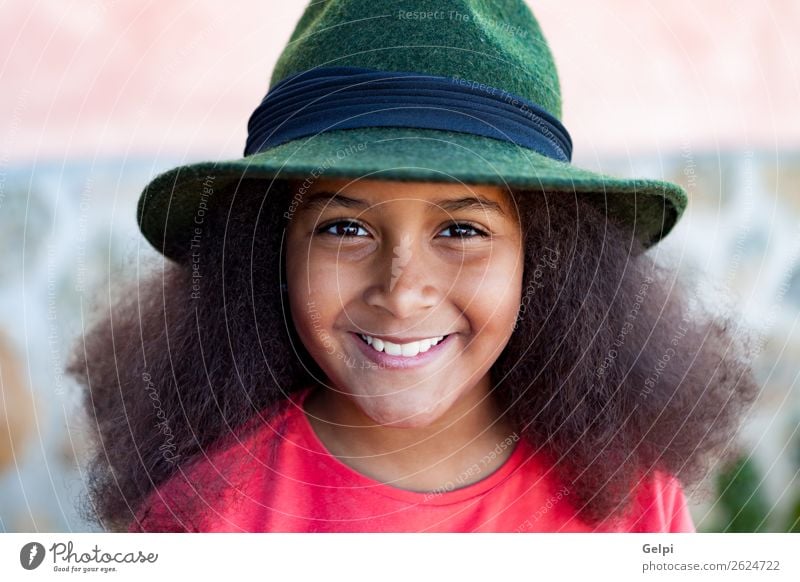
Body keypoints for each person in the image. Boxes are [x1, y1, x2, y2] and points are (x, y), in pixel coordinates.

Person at [66, 0, 758, 533]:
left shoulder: (630, 504)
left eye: (461, 229)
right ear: (268, 253)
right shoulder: (205, 516)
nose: (401, 292)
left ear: (544, 261)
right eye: (344, 227)